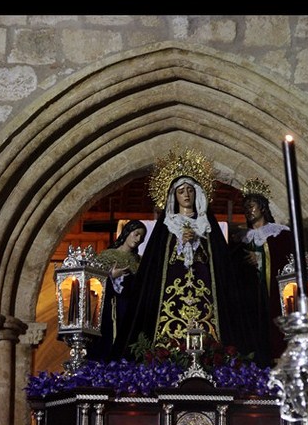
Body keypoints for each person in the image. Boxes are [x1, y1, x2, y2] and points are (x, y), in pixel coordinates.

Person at [111, 149, 258, 361]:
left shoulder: (206, 225)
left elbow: (221, 262)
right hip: (170, 289)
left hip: (205, 288)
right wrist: (180, 242)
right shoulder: (167, 226)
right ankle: (163, 353)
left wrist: (198, 242)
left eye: (190, 190)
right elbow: (154, 266)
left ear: (197, 193)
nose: (186, 195)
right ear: (174, 196)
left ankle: (213, 355)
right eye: (181, 191)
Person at [230, 178, 294, 367]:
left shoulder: (279, 233)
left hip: (272, 292)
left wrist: (261, 258)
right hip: (250, 295)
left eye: (252, 206)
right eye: (245, 208)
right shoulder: (241, 237)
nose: (248, 211)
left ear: (263, 208)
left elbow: (287, 262)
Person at [87, 220, 147, 361]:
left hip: (132, 308)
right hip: (112, 307)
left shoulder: (140, 261)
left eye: (141, 237)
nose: (138, 239)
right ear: (127, 232)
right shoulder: (107, 256)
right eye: (136, 234)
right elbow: (93, 282)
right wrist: (111, 276)